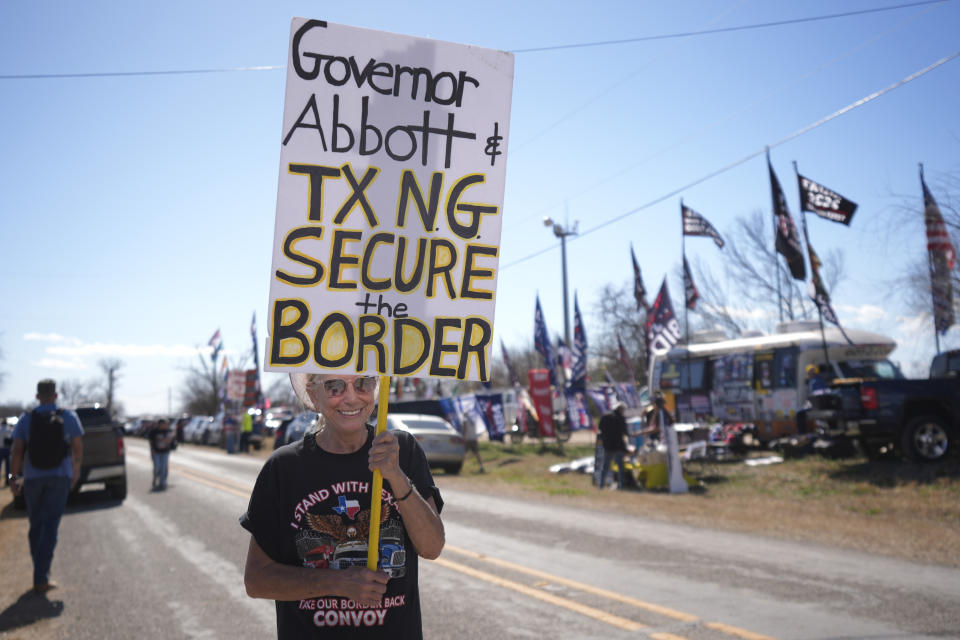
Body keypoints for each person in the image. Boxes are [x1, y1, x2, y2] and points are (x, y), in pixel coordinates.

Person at [241, 374, 445, 639]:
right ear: (314, 395)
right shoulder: (284, 467)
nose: (351, 397)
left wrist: (395, 475)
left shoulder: (402, 450)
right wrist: (338, 583)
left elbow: (432, 547)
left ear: (375, 388)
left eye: (363, 383)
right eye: (334, 386)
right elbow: (256, 580)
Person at [8, 379, 84, 594]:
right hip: (59, 477)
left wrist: (13, 477)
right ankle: (41, 576)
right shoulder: (68, 416)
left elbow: (17, 450)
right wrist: (76, 470)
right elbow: (77, 447)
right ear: (56, 395)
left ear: (37, 396)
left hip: (33, 479)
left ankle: (40, 572)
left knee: (36, 526)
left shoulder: (26, 419)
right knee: (51, 526)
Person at [597, 402, 629, 489]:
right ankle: (621, 485)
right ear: (620, 409)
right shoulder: (621, 418)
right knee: (620, 467)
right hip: (618, 446)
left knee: (606, 466)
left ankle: (601, 484)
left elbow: (599, 428)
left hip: (608, 445)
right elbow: (625, 432)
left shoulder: (605, 417)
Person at [148, 418, 176, 490]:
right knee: (157, 467)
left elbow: (171, 439)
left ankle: (163, 482)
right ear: (159, 424)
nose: (165, 425)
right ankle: (155, 478)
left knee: (164, 467)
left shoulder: (168, 431)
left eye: (166, 424)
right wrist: (152, 450)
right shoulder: (154, 432)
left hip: (165, 452)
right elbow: (151, 441)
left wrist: (170, 437)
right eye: (164, 424)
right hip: (156, 452)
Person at [0, 418, 13, 486]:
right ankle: (8, 481)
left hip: (0, 449)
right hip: (7, 449)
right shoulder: (9, 429)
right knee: (8, 467)